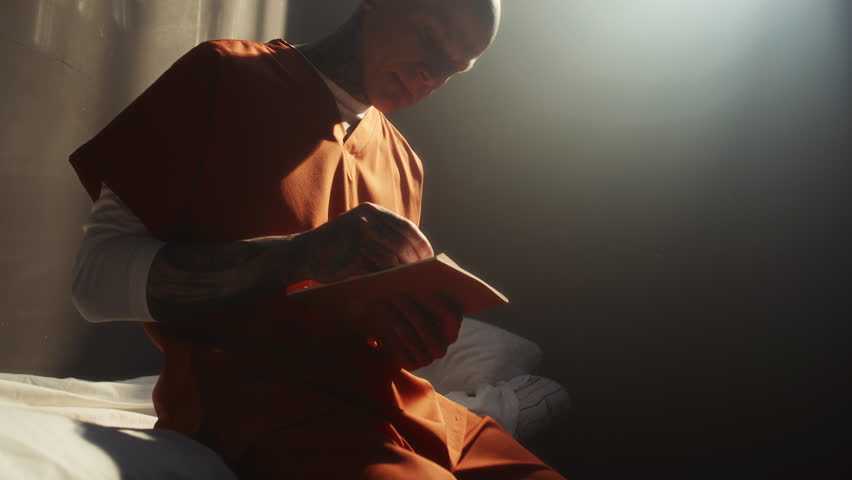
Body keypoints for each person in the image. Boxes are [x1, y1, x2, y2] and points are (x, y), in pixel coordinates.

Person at [70, 0, 567, 478]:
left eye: (455, 68)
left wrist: (411, 334)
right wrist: (297, 256)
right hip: (268, 415)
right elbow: (95, 282)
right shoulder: (223, 75)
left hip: (408, 411)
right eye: (431, 37)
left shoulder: (404, 163)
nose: (432, 74)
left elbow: (367, 334)